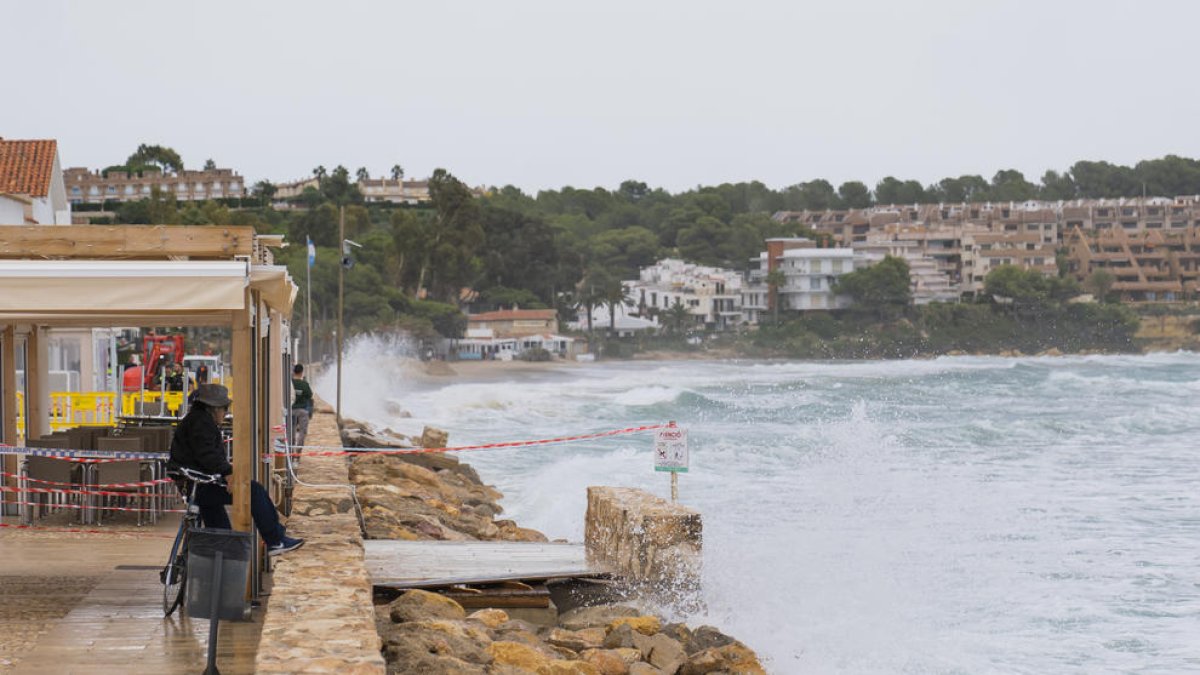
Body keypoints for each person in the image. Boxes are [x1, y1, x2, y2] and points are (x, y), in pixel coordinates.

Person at [168, 383, 304, 555]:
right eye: (225, 408)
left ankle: (223, 562)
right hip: (198, 486)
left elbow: (205, 456)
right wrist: (228, 472)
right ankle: (275, 540)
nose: (225, 413)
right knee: (254, 491)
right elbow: (208, 455)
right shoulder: (201, 423)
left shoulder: (197, 419)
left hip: (196, 484)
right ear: (214, 408)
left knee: (222, 535)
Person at [290, 364, 313, 448]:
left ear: (293, 372)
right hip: (302, 411)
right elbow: (309, 395)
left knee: (291, 430)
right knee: (302, 432)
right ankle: (298, 453)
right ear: (301, 372)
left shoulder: (290, 383)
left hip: (291, 410)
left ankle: (291, 450)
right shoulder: (304, 384)